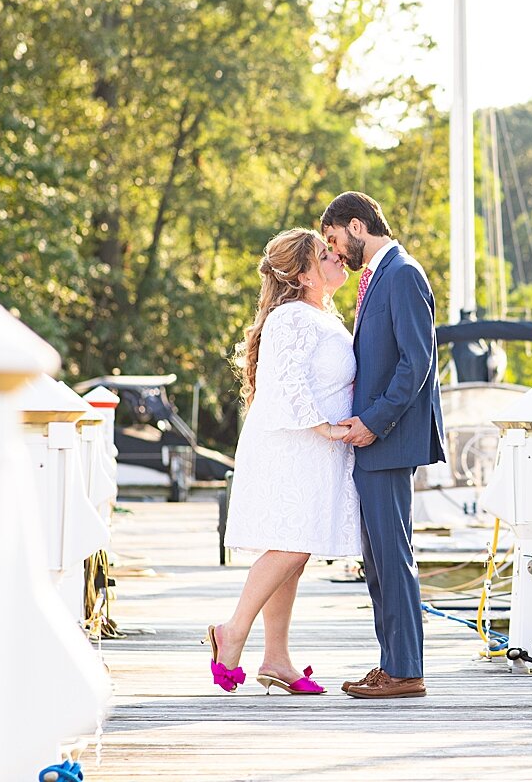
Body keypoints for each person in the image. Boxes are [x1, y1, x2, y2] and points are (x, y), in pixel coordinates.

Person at [206, 228, 360, 695]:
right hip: (294, 446)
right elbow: (288, 382)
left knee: (296, 548)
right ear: (301, 273)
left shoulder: (319, 315)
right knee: (291, 543)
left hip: (314, 451)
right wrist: (325, 427)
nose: (337, 257)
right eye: (324, 254)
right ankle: (232, 631)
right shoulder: (292, 317)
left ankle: (276, 658)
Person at [320, 191, 446, 699]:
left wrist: (373, 422)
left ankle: (405, 670)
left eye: (334, 239)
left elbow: (416, 363)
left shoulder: (403, 273)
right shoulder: (381, 275)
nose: (335, 251)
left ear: (356, 225)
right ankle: (394, 663)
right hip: (376, 440)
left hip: (388, 439)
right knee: (378, 559)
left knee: (391, 557)